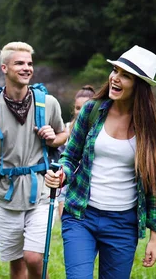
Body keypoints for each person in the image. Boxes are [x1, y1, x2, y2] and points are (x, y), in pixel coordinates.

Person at [44, 45, 156, 278]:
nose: (115, 78)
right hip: (81, 216)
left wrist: (155, 237)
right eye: (115, 70)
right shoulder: (92, 110)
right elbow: (70, 156)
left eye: (126, 75)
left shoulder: (155, 125)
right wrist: (61, 174)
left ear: (140, 86)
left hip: (123, 225)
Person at [0, 41, 67, 279]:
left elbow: (63, 135)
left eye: (29, 63)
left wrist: (52, 138)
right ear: (4, 68)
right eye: (20, 63)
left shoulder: (48, 103)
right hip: (7, 196)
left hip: (41, 191)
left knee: (34, 257)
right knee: (16, 265)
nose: (27, 68)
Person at [57, 85, 96, 219]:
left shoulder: (98, 131)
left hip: (86, 181)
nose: (80, 112)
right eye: (77, 108)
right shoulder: (67, 128)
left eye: (84, 107)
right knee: (66, 221)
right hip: (67, 179)